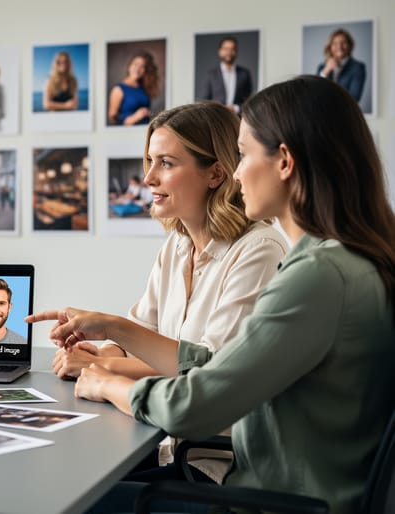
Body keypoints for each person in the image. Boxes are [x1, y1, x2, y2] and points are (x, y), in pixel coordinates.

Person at [31, 75, 395, 513]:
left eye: (242, 155)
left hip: (261, 501)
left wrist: (108, 381)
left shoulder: (317, 275)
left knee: (58, 499)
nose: (237, 172)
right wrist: (110, 335)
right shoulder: (347, 262)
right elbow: (218, 365)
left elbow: (193, 406)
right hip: (276, 491)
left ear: (284, 161)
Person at [45, 100, 289, 484]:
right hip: (160, 443)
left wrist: (105, 367)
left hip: (212, 464)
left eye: (166, 163)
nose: (148, 179)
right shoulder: (176, 248)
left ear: (216, 173)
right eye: (149, 161)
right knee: (61, 473)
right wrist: (100, 352)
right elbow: (142, 337)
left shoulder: (258, 250)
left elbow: (209, 372)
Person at [197, 36, 254, 114]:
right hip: (216, 117)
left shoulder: (244, 73)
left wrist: (236, 108)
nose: (229, 52)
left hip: (237, 118)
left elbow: (249, 101)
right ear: (220, 51)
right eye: (226, 49)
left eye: (232, 49)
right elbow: (204, 100)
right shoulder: (211, 74)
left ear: (236, 51)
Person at [108, 51, 158, 126]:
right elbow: (112, 118)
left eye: (142, 66)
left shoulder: (143, 87)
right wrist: (134, 117)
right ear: (129, 66)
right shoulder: (118, 89)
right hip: (129, 132)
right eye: (136, 64)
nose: (138, 69)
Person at [316, 28, 366, 102]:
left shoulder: (358, 67)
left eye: (343, 42)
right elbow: (314, 92)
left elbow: (354, 97)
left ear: (349, 45)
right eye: (335, 43)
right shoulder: (322, 67)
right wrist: (326, 71)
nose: (339, 46)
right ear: (330, 47)